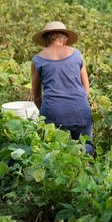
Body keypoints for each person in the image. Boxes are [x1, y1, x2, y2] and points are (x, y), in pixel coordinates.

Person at [31, 21, 94, 155]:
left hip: (53, 111)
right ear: (65, 40)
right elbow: (86, 90)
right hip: (80, 109)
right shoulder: (77, 54)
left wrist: (49, 110)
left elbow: (36, 97)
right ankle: (86, 157)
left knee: (54, 152)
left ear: (45, 40)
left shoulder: (37, 60)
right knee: (85, 145)